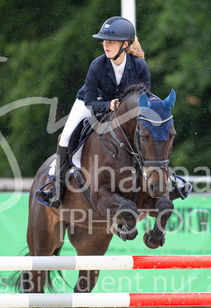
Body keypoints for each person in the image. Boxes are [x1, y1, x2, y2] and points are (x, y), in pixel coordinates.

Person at [35, 16, 151, 207]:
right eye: (104, 41)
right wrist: (108, 106)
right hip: (90, 103)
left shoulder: (139, 66)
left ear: (125, 44)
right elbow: (89, 101)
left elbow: (144, 99)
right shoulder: (97, 65)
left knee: (151, 133)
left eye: (111, 41)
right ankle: (56, 187)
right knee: (66, 136)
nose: (105, 45)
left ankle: (168, 180)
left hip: (122, 110)